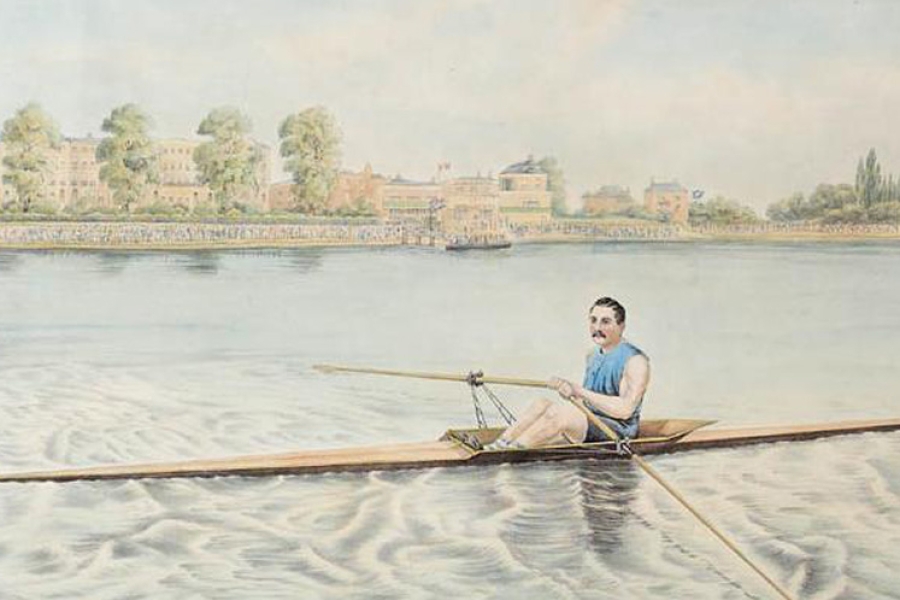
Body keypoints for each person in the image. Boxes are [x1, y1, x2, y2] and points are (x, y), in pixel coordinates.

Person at [487, 296, 650, 449]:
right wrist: (569, 393)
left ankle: (512, 451)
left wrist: (578, 390)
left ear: (621, 326)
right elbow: (587, 400)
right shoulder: (592, 355)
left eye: (605, 322)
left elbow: (625, 410)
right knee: (541, 404)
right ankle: (499, 444)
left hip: (619, 432)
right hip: (590, 420)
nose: (597, 328)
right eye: (593, 320)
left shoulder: (635, 361)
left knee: (561, 414)